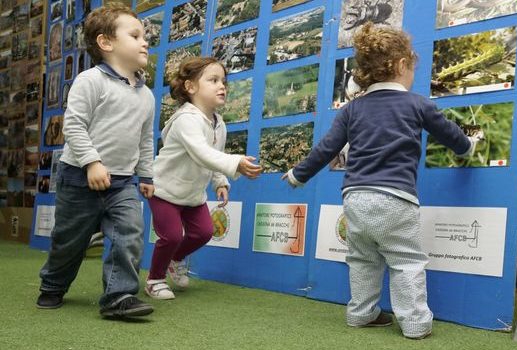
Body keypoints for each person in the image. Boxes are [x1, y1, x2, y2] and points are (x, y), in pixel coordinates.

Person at [282, 23, 479, 339]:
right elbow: (449, 133)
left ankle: (361, 314)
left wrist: (297, 174)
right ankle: (415, 323)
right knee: (406, 260)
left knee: (361, 259)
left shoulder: (352, 109)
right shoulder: (417, 104)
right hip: (395, 198)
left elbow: (326, 149)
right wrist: (467, 146)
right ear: (402, 65)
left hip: (355, 198)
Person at [36, 4, 156, 319]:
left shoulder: (147, 96)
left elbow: (145, 139)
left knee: (129, 234)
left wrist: (146, 176)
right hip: (79, 177)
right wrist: (92, 162)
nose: (145, 41)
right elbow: (73, 125)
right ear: (106, 43)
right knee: (69, 242)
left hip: (122, 183)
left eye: (144, 36)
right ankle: (52, 285)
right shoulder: (90, 81)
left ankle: (119, 297)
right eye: (135, 35)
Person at [145, 57, 261, 300]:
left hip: (191, 194)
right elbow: (202, 152)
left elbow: (214, 155)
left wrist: (220, 182)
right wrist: (236, 163)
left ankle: (175, 260)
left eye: (223, 81)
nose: (222, 86)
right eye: (213, 80)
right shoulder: (186, 119)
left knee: (204, 233)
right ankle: (154, 280)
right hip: (164, 190)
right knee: (172, 236)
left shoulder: (219, 124)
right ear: (190, 87)